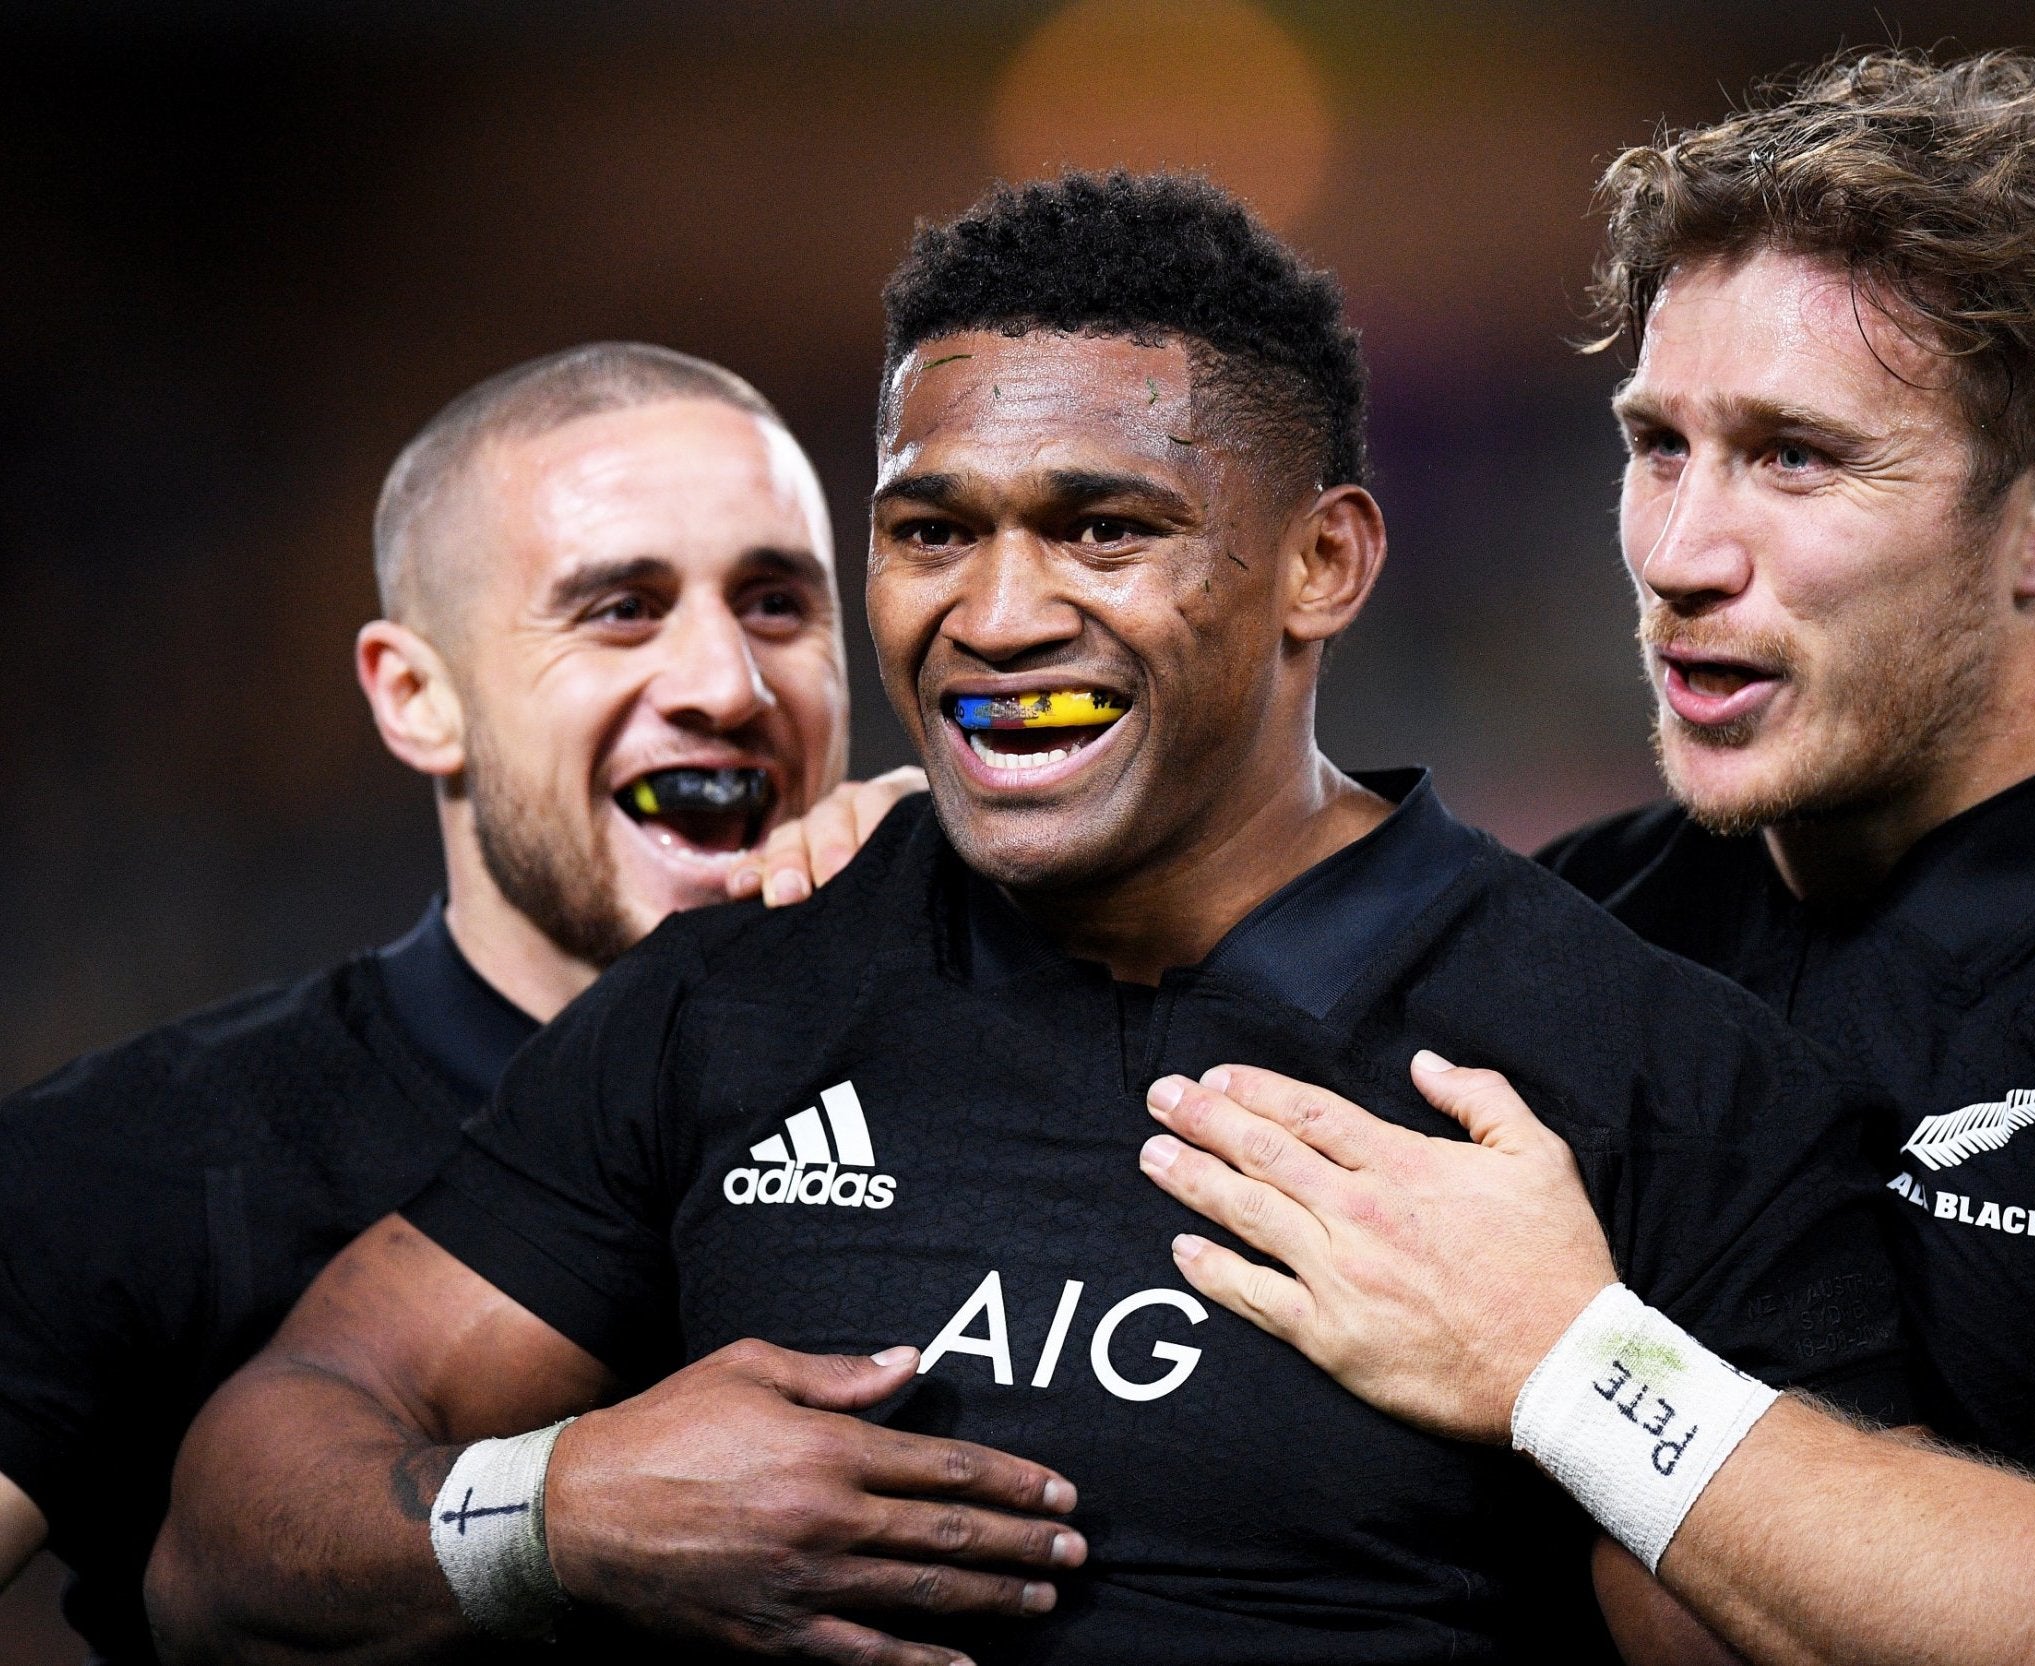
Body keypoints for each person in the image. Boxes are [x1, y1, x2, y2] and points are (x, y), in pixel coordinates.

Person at [150, 170, 1908, 1666]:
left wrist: (1569, 1378)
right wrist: (558, 1506)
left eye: (1102, 528)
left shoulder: (1648, 1073)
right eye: (931, 529)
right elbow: (229, 1535)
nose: (994, 615)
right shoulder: (739, 996)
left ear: (1324, 564)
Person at [1137, 49, 2035, 1666]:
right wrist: (939, 860)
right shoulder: (1583, 917)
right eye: (1658, 445)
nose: (1679, 556)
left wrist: (1572, 1364)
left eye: (1795, 455)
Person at [0, 342, 923, 1665]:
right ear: (417, 696)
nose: (728, 683)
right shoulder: (122, 1163)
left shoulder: (1014, 1048)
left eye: (778, 604)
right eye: (619, 607)